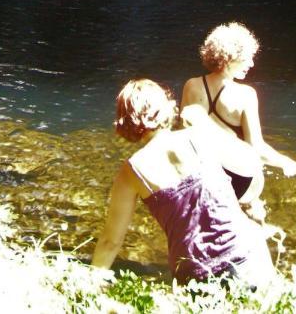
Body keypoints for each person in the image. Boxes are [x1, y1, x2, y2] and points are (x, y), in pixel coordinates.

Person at [91, 78, 275, 286]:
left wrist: (91, 282)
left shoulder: (132, 171)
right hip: (249, 255)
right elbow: (251, 162)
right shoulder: (199, 135)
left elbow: (110, 241)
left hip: (198, 274)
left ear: (126, 121)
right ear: (165, 107)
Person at [180, 22, 296, 217]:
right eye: (246, 59)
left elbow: (182, 134)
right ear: (228, 58)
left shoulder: (191, 85)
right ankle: (255, 213)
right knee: (253, 204)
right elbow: (257, 149)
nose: (251, 64)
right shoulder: (246, 95)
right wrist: (286, 162)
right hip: (237, 182)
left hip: (202, 177)